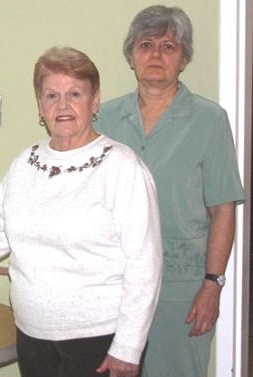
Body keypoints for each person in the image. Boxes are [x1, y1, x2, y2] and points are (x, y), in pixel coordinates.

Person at [0, 46, 163, 377]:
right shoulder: (24, 165)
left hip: (99, 342)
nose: (62, 105)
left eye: (74, 93)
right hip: (32, 337)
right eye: (51, 95)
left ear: (94, 102)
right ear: (40, 106)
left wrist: (128, 348)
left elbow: (144, 264)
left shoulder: (121, 167)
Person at [95, 5, 245, 377]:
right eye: (146, 44)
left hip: (182, 287)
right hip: (112, 284)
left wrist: (213, 285)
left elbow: (223, 209)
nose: (156, 55)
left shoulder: (210, 120)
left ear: (184, 59)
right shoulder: (103, 118)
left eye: (169, 46)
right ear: (131, 56)